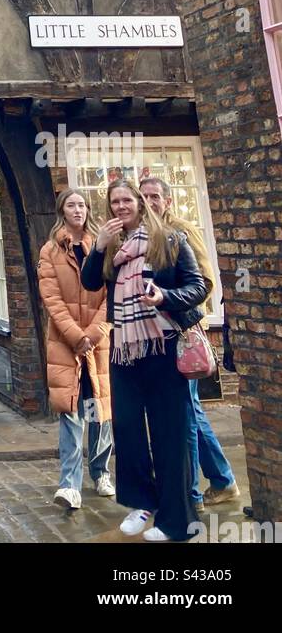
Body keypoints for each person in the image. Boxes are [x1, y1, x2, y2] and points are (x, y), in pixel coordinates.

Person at [80, 178, 207, 543]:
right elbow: (91, 284)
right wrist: (99, 246)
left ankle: (175, 521)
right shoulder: (113, 248)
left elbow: (198, 287)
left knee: (171, 436)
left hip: (163, 350)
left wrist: (164, 296)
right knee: (129, 433)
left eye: (127, 200)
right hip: (125, 352)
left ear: (140, 203)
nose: (121, 207)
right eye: (114, 202)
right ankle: (142, 503)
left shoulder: (168, 239)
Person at [139, 177, 240, 512]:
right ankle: (221, 480)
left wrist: (171, 302)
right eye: (145, 196)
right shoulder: (142, 235)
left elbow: (205, 282)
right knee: (190, 412)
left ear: (167, 201)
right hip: (156, 337)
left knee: (189, 411)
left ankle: (200, 490)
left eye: (155, 196)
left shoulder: (179, 231)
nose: (150, 201)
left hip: (182, 331)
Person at [37, 189, 113, 511]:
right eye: (72, 205)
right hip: (65, 346)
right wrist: (75, 336)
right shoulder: (51, 250)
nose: (78, 209)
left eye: (82, 204)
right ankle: (70, 485)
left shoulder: (104, 245)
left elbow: (113, 293)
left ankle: (100, 471)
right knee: (71, 413)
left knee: (98, 411)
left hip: (97, 344)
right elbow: (51, 298)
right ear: (62, 211)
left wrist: (93, 334)